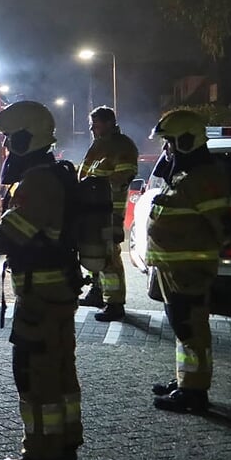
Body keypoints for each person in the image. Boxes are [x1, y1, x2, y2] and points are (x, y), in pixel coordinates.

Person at [0, 101, 83, 460]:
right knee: (60, 372)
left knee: (34, 376)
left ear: (27, 138)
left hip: (40, 298)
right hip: (57, 291)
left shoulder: (38, 182)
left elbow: (5, 237)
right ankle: (66, 445)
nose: (7, 147)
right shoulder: (55, 175)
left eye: (10, 138)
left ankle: (38, 459)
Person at [145, 109, 231, 413]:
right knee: (183, 326)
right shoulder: (187, 174)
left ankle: (195, 393)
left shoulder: (204, 178)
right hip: (175, 267)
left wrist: (202, 260)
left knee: (192, 329)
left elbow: (221, 225)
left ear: (185, 141)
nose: (166, 149)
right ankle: (186, 380)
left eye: (169, 142)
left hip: (189, 269)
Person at [76, 106, 141, 321]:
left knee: (109, 256)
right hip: (91, 209)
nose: (91, 128)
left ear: (109, 123)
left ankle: (114, 303)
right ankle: (97, 292)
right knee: (93, 249)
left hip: (109, 210)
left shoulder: (121, 146)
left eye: (95, 124)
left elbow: (123, 177)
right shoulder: (98, 145)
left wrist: (95, 185)